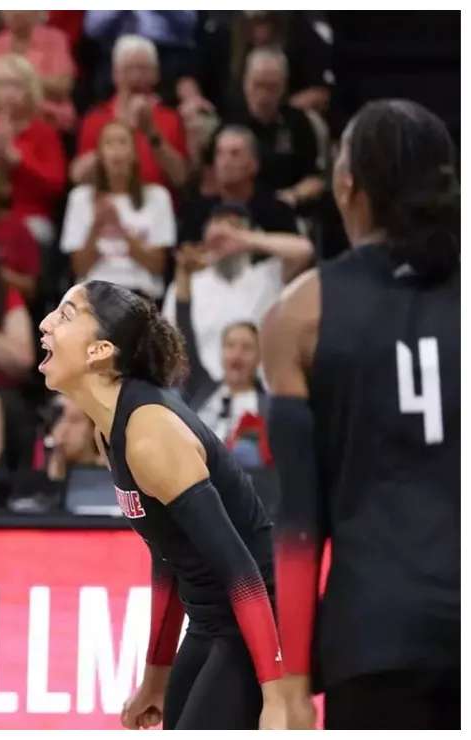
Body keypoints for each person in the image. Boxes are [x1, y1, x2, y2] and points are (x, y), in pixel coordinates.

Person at [261, 100, 460, 730]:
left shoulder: (299, 314)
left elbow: (298, 522)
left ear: (347, 186)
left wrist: (291, 686)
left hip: (374, 635)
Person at [38, 279, 285, 730]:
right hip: (211, 618)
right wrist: (154, 680)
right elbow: (168, 555)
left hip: (259, 614)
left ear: (100, 351)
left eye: (66, 314)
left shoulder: (150, 436)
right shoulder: (109, 430)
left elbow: (242, 570)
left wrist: (277, 696)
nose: (45, 323)